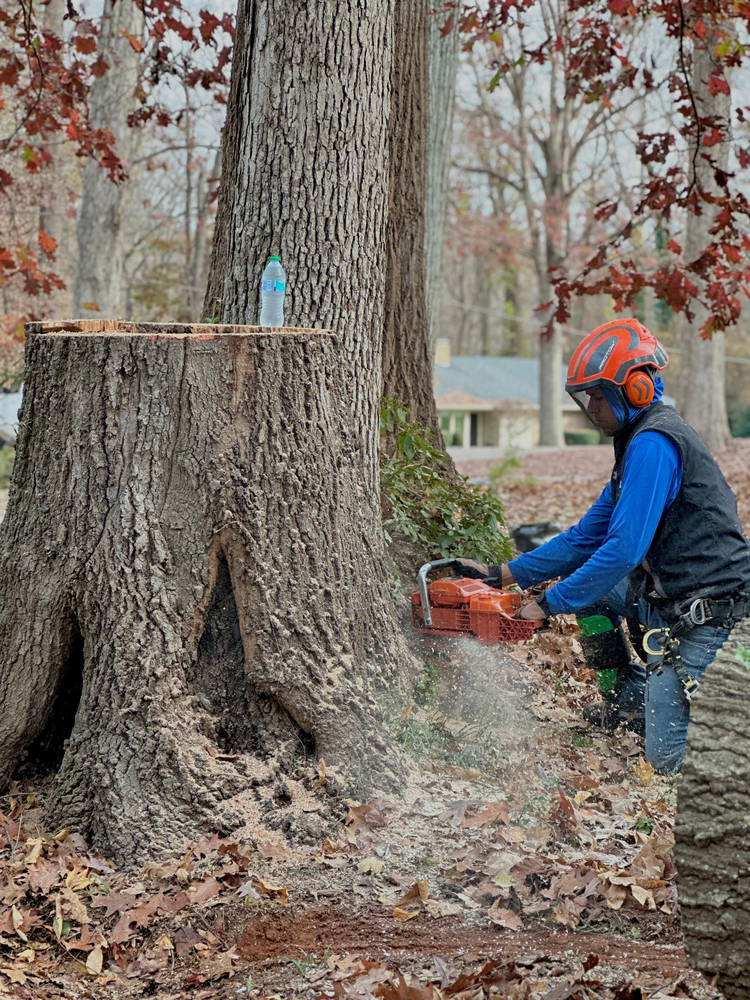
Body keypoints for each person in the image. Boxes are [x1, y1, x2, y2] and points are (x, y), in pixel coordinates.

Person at [458, 318, 750, 773]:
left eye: (597, 394)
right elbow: (586, 536)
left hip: (708, 616)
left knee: (667, 760)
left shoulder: (654, 444)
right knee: (593, 593)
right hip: (666, 597)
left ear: (632, 388)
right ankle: (627, 701)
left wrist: (548, 603)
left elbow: (623, 551)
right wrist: (503, 575)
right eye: (586, 396)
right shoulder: (634, 443)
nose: (590, 406)